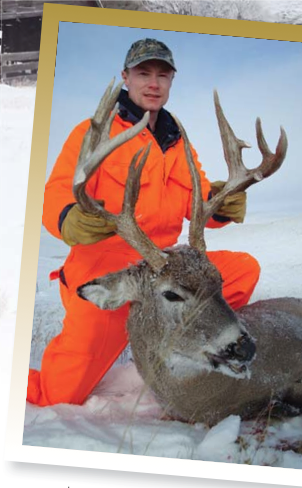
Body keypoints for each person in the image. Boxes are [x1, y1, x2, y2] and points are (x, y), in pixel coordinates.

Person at [27, 39, 261, 406]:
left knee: (242, 271)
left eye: (162, 75)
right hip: (108, 272)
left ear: (171, 81)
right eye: (143, 73)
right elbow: (57, 191)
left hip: (165, 269)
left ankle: (171, 339)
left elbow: (196, 200)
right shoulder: (94, 132)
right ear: (126, 77)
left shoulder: (177, 141)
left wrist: (221, 204)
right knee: (58, 395)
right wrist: (68, 218)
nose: (153, 83)